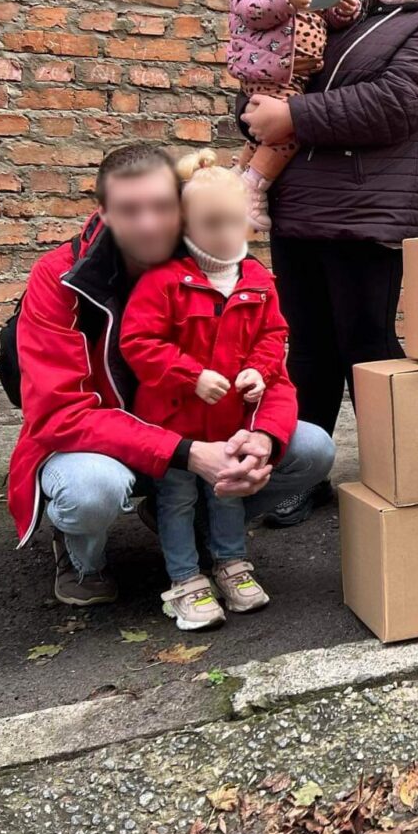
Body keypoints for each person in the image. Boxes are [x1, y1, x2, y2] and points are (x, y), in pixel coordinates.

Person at [3, 143, 335, 606]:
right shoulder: (58, 277)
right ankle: (82, 557)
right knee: (91, 491)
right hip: (100, 443)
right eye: (128, 209)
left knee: (312, 449)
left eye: (161, 207)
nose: (148, 224)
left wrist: (262, 438)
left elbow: (273, 371)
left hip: (198, 428)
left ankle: (194, 522)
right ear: (103, 210)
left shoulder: (227, 268)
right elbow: (61, 413)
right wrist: (186, 453)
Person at [241, 0, 418, 439]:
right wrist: (256, 108)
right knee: (308, 350)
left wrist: (291, 114)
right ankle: (305, 471)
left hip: (366, 212)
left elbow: (397, 103)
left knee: (365, 349)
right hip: (299, 205)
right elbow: (286, 65)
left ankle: (397, 471)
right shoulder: (342, 12)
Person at [119, 151, 298, 630]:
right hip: (174, 425)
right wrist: (189, 375)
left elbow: (273, 334)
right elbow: (137, 342)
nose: (225, 234)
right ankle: (185, 579)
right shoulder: (163, 281)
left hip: (230, 421)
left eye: (235, 222)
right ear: (186, 227)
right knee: (176, 499)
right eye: (211, 223)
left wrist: (259, 371)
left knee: (227, 494)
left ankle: (231, 564)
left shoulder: (259, 281)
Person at [222, 0, 362, 231]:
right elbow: (247, 8)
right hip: (268, 70)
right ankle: (253, 186)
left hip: (298, 74)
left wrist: (343, 7)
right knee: (292, 129)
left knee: (270, 132)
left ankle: (239, 172)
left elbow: (329, 18)